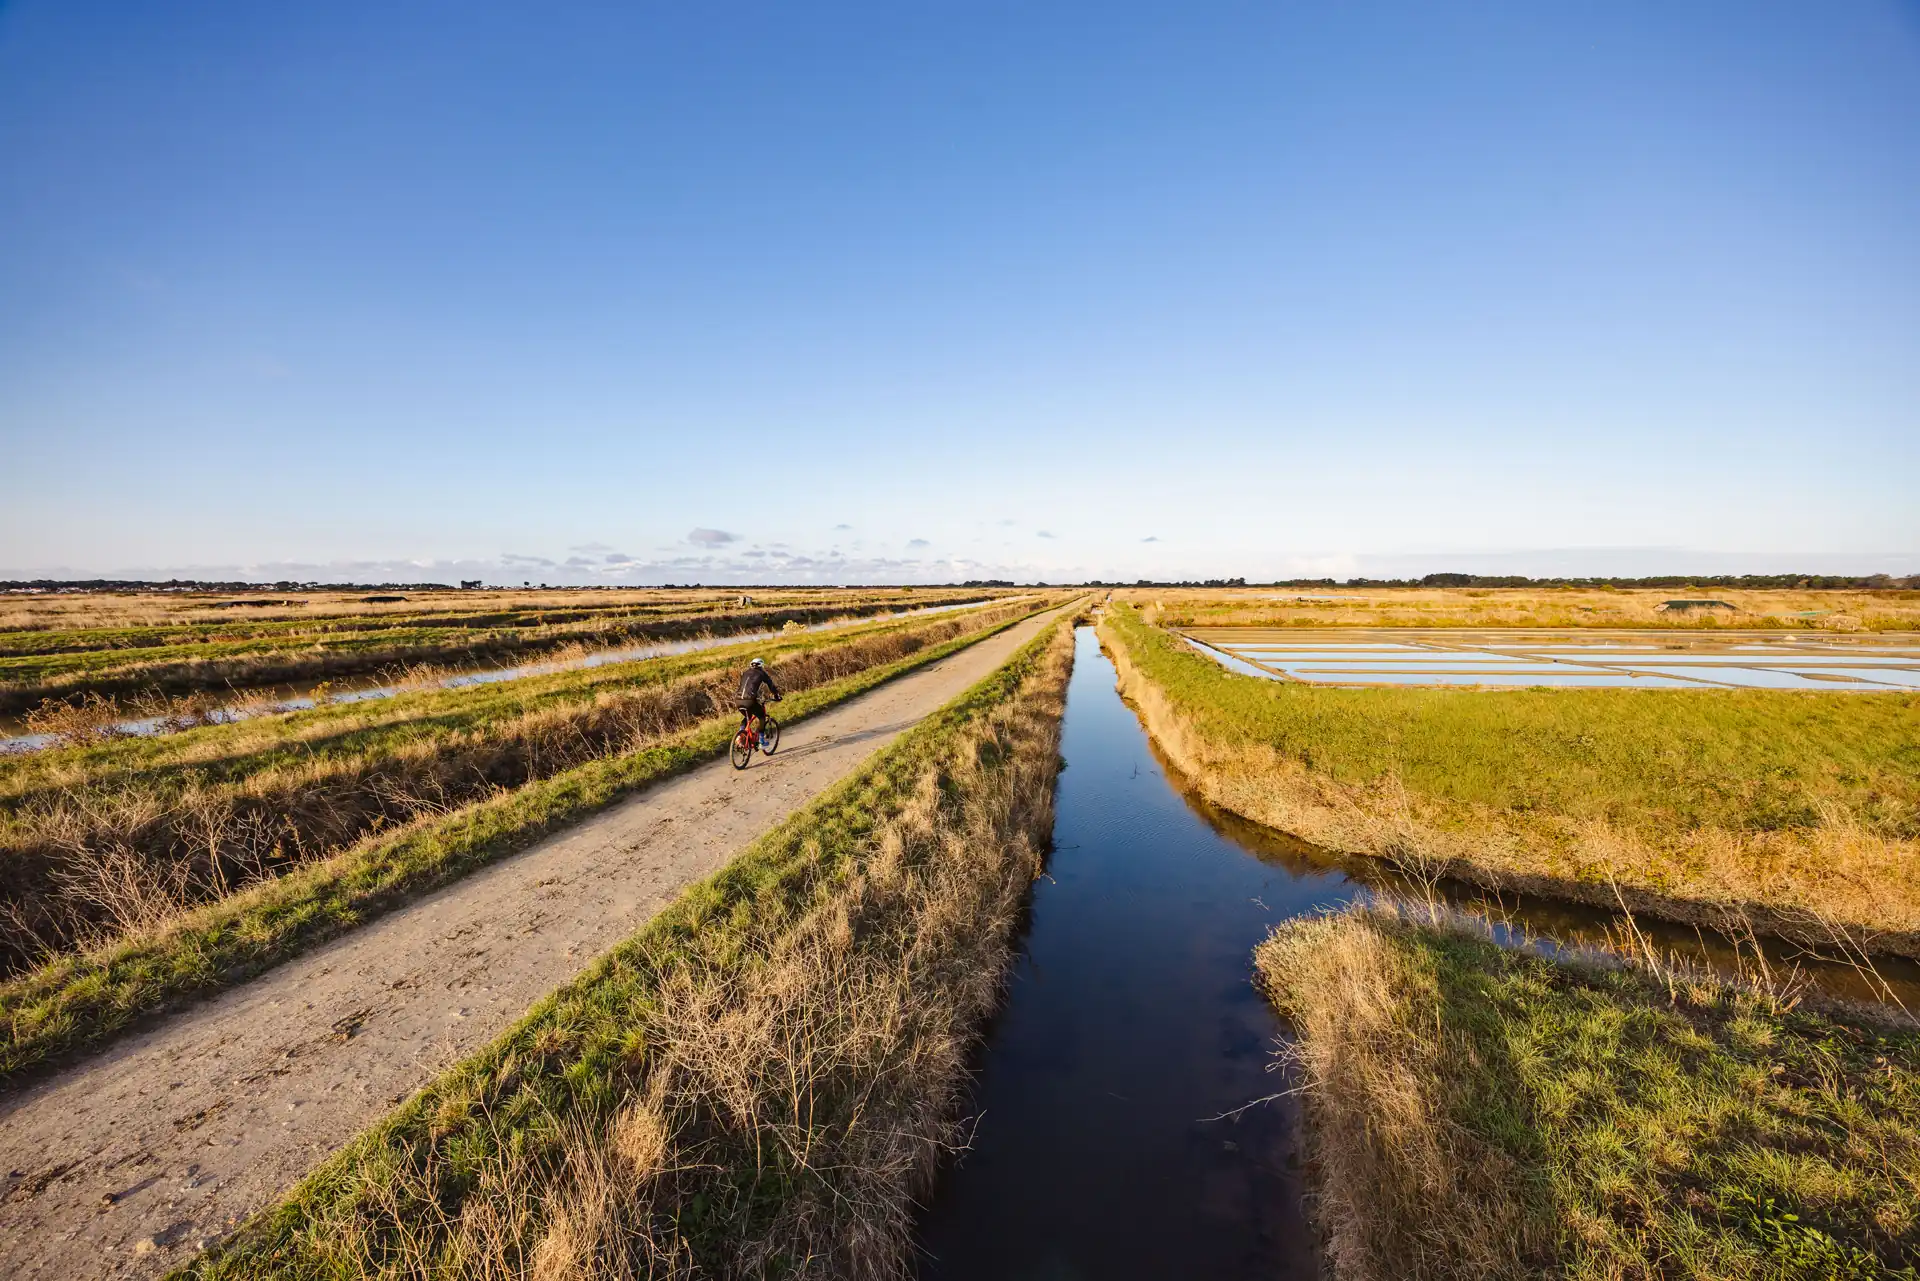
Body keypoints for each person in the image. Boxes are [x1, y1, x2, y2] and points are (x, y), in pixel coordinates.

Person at [736, 657, 782, 744]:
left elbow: (747, 687)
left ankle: (739, 735)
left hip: (738, 700)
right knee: (762, 716)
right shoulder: (761, 673)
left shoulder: (745, 672)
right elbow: (770, 685)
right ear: (761, 666)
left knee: (747, 717)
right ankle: (761, 740)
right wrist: (776, 695)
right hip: (749, 700)